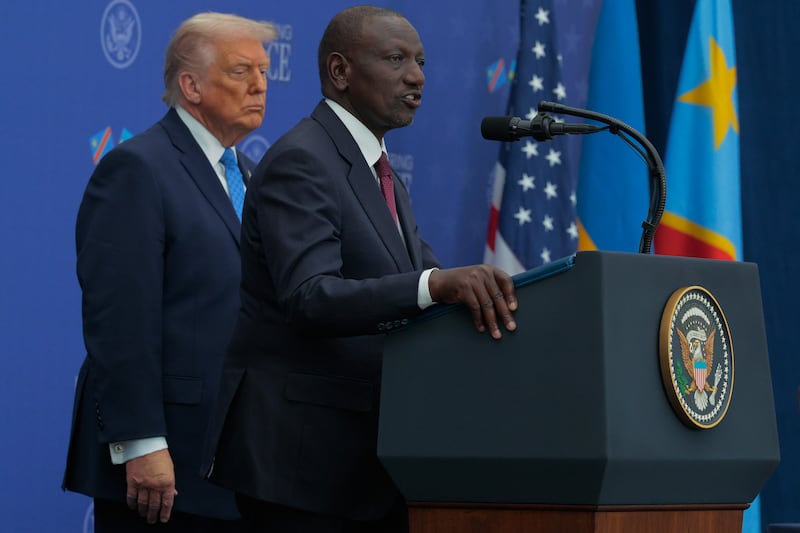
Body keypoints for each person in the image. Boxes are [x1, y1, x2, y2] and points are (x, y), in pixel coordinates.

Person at [204, 6, 518, 533]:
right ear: (340, 71)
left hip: (367, 470)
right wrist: (436, 285)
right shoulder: (302, 160)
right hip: (302, 468)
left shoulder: (380, 170)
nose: (416, 76)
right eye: (395, 59)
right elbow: (310, 295)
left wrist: (486, 292)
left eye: (420, 61)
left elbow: (422, 274)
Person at [62, 12, 276, 532]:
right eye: (241, 71)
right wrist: (141, 441)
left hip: (232, 462)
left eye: (265, 72)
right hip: (164, 464)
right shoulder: (138, 169)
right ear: (191, 86)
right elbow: (119, 320)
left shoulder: (246, 173)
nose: (259, 86)